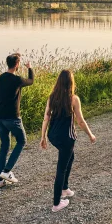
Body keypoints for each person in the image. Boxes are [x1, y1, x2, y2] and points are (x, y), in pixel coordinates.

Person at [40, 70, 96, 212]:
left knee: (70, 158)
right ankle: (56, 203)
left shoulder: (52, 97)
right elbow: (80, 121)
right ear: (71, 82)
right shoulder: (73, 99)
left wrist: (43, 136)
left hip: (53, 136)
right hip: (66, 138)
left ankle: (65, 188)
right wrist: (90, 135)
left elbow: (46, 118)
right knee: (61, 168)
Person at [0, 53, 34, 188]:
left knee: (4, 146)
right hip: (12, 118)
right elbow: (31, 80)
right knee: (22, 141)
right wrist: (29, 68)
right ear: (17, 64)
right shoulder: (17, 80)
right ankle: (6, 171)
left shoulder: (0, 78)